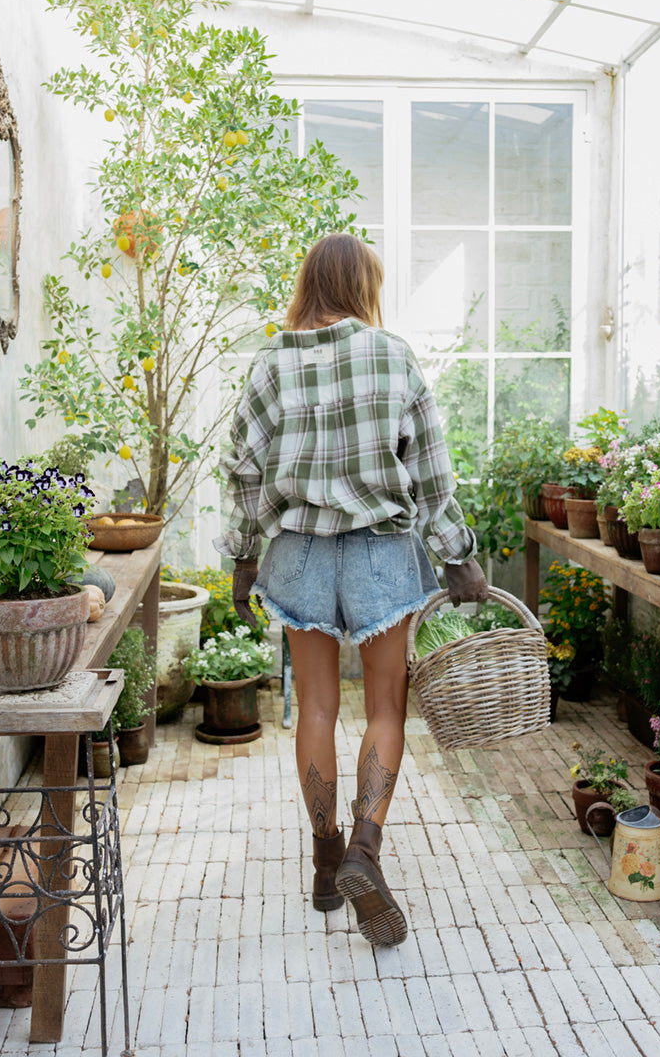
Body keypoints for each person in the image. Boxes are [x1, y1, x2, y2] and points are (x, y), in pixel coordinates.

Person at [215, 232, 487, 947]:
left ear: (308, 283)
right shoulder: (393, 355)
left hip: (299, 552)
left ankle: (324, 856)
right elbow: (430, 475)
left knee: (315, 707)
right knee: (386, 707)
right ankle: (366, 848)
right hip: (379, 553)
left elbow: (242, 469)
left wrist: (244, 557)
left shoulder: (271, 360)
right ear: (365, 286)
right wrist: (459, 556)